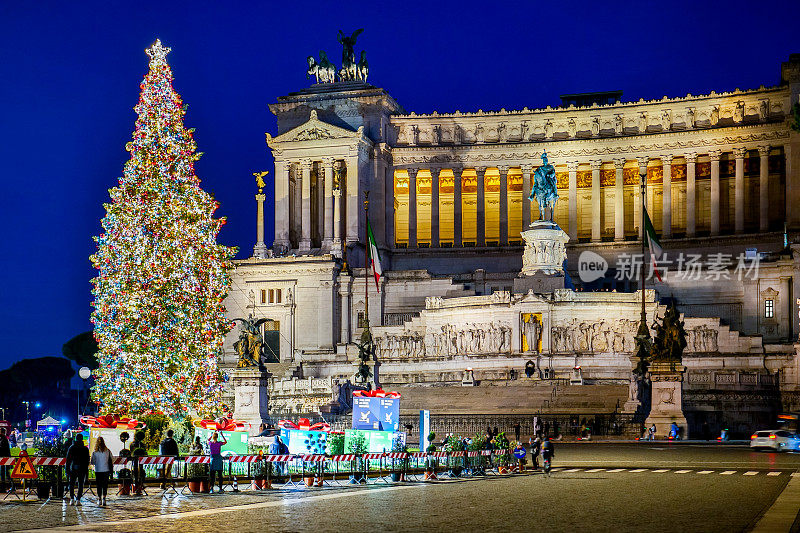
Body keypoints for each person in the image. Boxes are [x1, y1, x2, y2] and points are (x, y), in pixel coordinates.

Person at [66, 434, 90, 505]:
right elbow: (87, 460)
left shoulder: (72, 447)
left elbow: (68, 459)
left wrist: (67, 469)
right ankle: (78, 499)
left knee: (72, 484)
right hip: (82, 468)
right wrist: (86, 472)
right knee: (80, 484)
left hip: (73, 467)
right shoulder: (85, 449)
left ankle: (72, 498)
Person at [91, 437, 114, 506]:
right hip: (106, 470)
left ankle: (99, 499)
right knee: (105, 485)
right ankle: (104, 498)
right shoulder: (108, 451)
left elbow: (92, 462)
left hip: (98, 470)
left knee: (99, 485)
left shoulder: (94, 452)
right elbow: (111, 460)